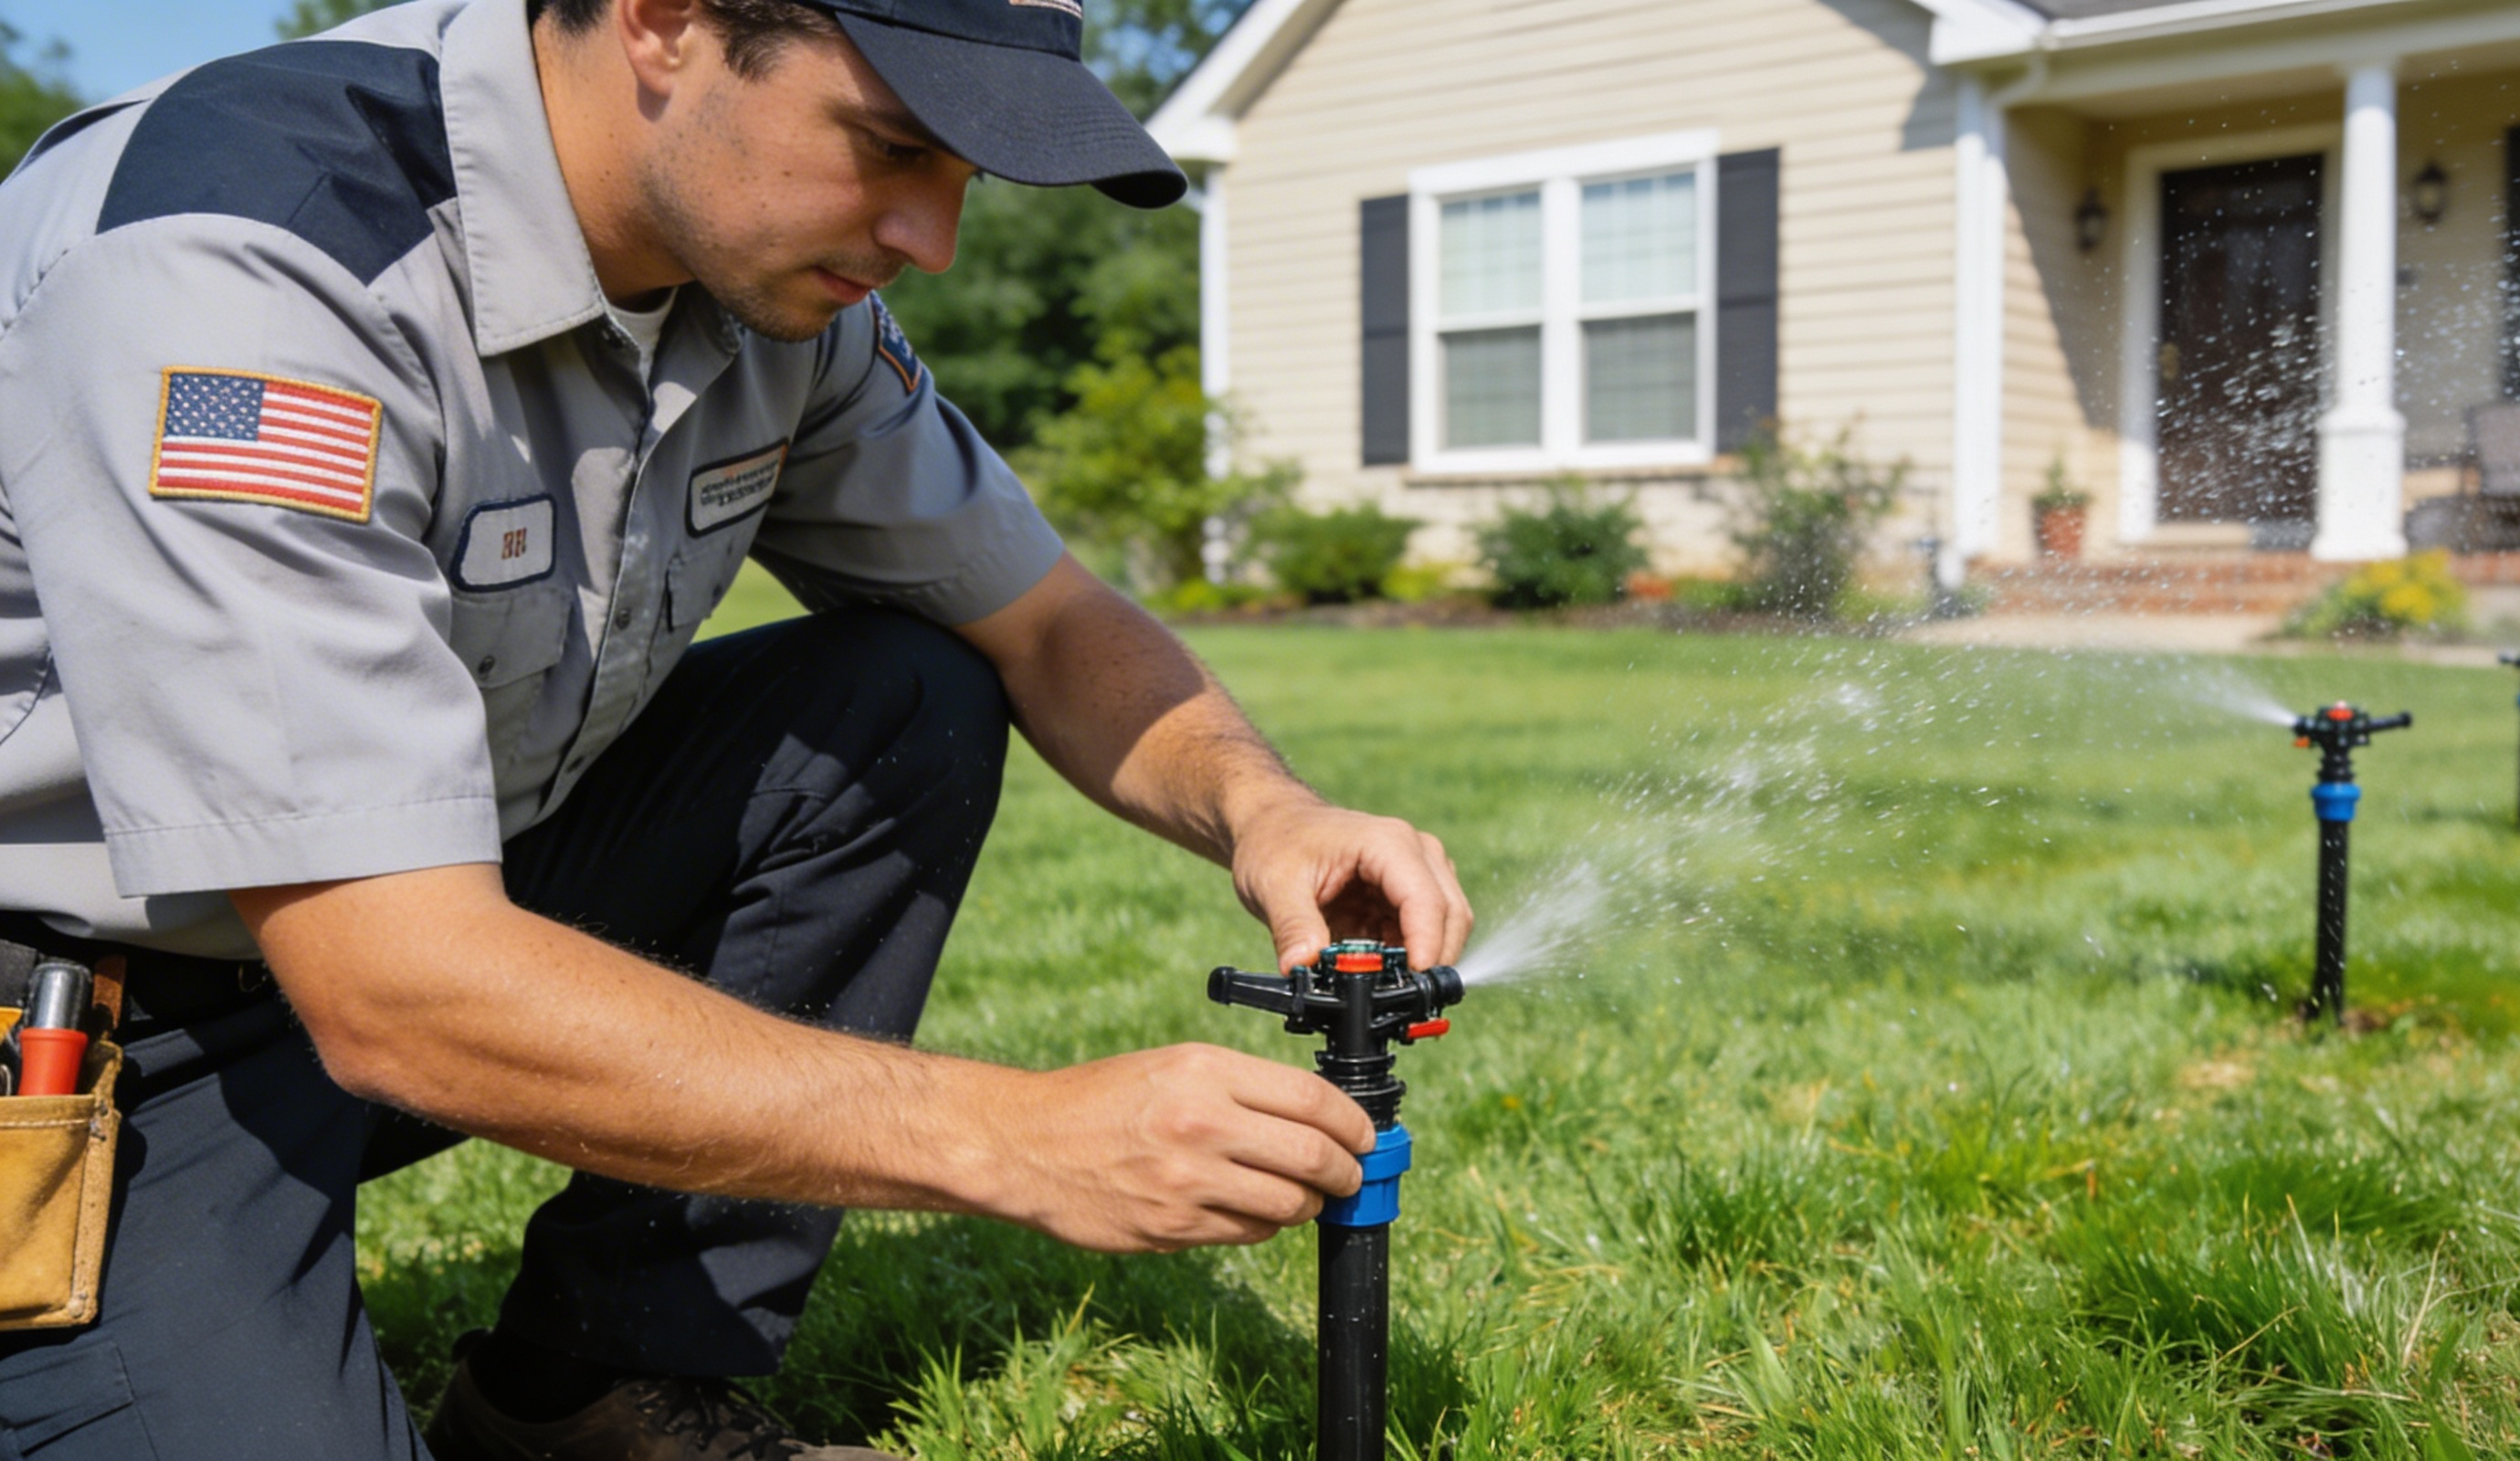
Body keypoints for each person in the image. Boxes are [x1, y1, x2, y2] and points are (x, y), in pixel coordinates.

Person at [0, 0, 1473, 1456]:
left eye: (963, 176)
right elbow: (391, 989)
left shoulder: (763, 284)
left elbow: (1044, 621)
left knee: (906, 691)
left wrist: (1264, 808)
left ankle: (593, 1388)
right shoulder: (250, 264)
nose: (931, 240)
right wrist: (1010, 1140)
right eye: (892, 144)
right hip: (102, 1015)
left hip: (412, 920)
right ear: (662, 22)